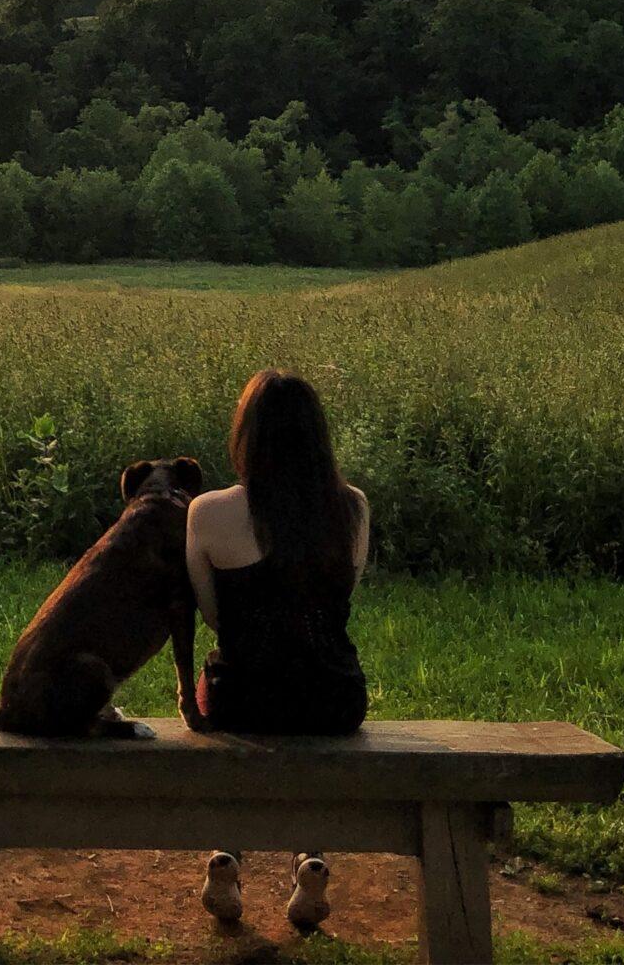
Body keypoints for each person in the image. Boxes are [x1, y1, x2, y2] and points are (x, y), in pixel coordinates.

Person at [185, 368, 370, 928]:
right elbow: (340, 600)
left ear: (246, 436)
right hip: (334, 698)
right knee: (302, 706)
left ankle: (227, 854)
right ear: (318, 436)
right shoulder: (353, 508)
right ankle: (309, 857)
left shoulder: (207, 512)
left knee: (227, 705)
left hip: (242, 698)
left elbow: (215, 618)